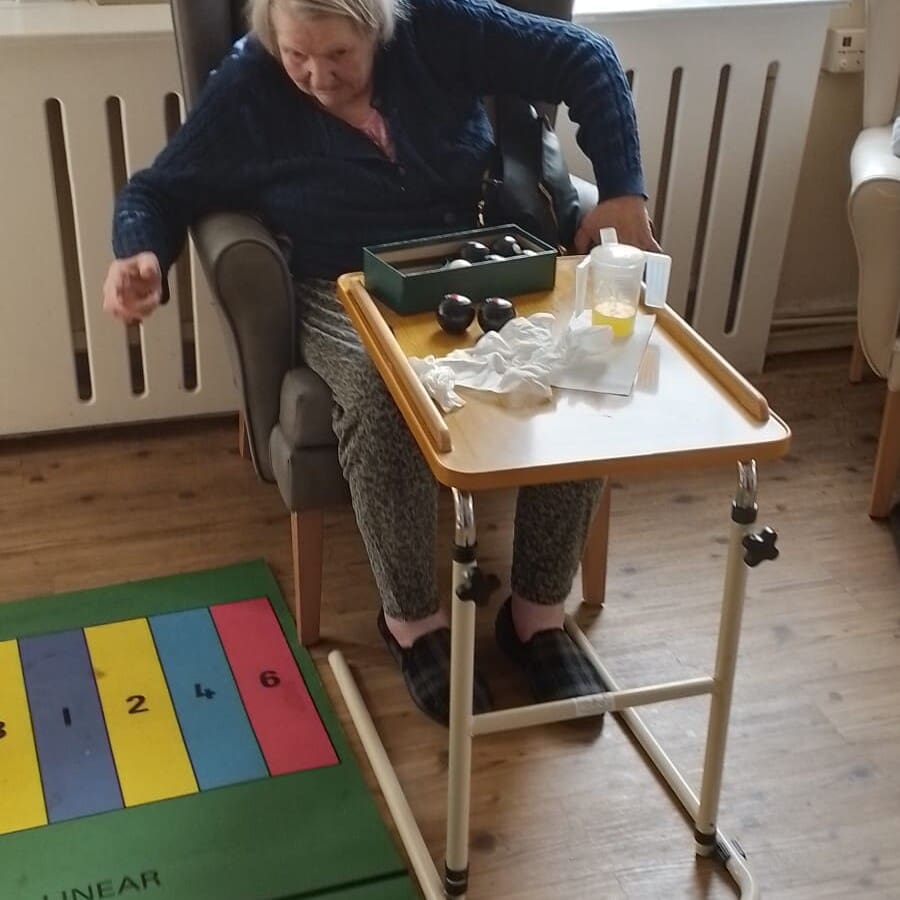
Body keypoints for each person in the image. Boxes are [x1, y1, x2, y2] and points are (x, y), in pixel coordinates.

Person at [103, 0, 661, 725]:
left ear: (379, 24)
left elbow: (587, 58)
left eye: (337, 56)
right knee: (377, 391)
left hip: (474, 257)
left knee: (580, 366)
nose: (315, 77)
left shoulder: (439, 26)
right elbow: (160, 187)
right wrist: (139, 251)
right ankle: (411, 624)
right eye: (298, 55)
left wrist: (621, 188)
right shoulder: (252, 81)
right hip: (342, 282)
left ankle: (537, 615)